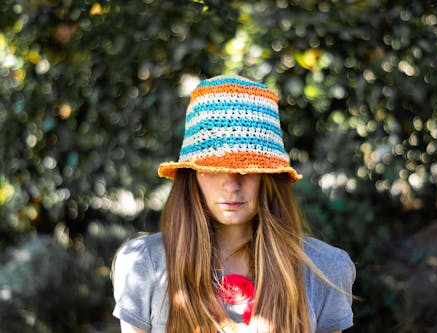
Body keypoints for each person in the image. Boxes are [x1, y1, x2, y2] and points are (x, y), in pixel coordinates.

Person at [112, 75, 356, 333]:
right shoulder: (144, 264)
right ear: (191, 176)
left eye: (247, 170)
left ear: (270, 178)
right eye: (213, 169)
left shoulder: (324, 270)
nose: (231, 184)